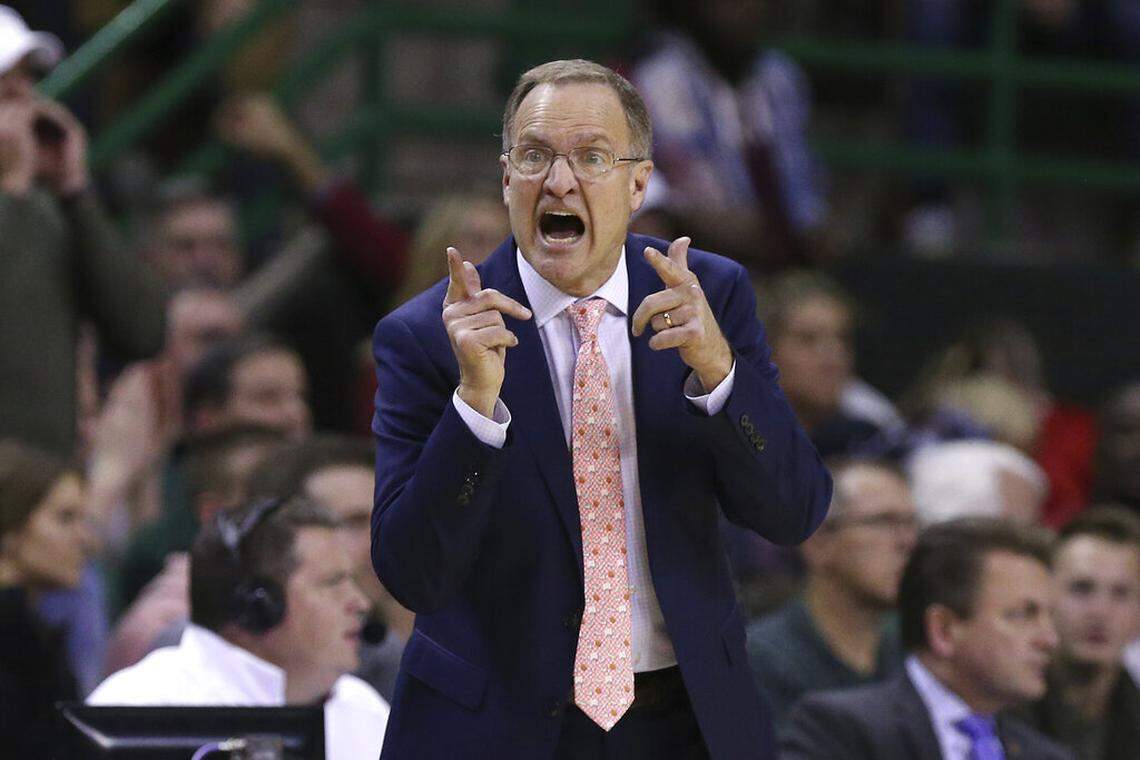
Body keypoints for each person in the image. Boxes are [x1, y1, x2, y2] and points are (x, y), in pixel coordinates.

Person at [371, 59, 831, 759]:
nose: (559, 181)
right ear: (506, 178)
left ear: (638, 182)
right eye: (534, 156)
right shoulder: (429, 336)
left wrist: (719, 371)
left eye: (591, 157)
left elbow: (793, 511)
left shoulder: (708, 295)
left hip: (684, 718)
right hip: (496, 724)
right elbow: (413, 574)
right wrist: (474, 409)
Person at [89, 496, 389, 760]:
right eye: (332, 583)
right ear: (257, 605)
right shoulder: (141, 709)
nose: (360, 603)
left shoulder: (365, 711)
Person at [0, 4, 166, 457]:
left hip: (45, 491)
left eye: (25, 81)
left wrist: (75, 193)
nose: (23, 101)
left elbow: (143, 332)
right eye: (2, 89)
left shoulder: (48, 210)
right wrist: (11, 192)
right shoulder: (20, 205)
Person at [782, 517, 1072, 760]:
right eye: (1022, 615)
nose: (1049, 639)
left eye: (1051, 617)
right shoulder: (842, 729)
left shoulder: (1048, 756)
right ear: (943, 630)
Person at [747, 459, 915, 734]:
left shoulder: (914, 649)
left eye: (912, 523)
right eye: (883, 522)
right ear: (819, 544)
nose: (907, 541)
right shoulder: (762, 661)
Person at [0, 439, 97, 757]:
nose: (84, 539)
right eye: (65, 518)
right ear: (10, 528)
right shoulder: (19, 646)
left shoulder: (34, 633)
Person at [1019, 507, 1140, 759]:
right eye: (1081, 588)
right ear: (1044, 596)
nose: (1100, 612)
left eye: (1121, 593)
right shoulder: (998, 711)